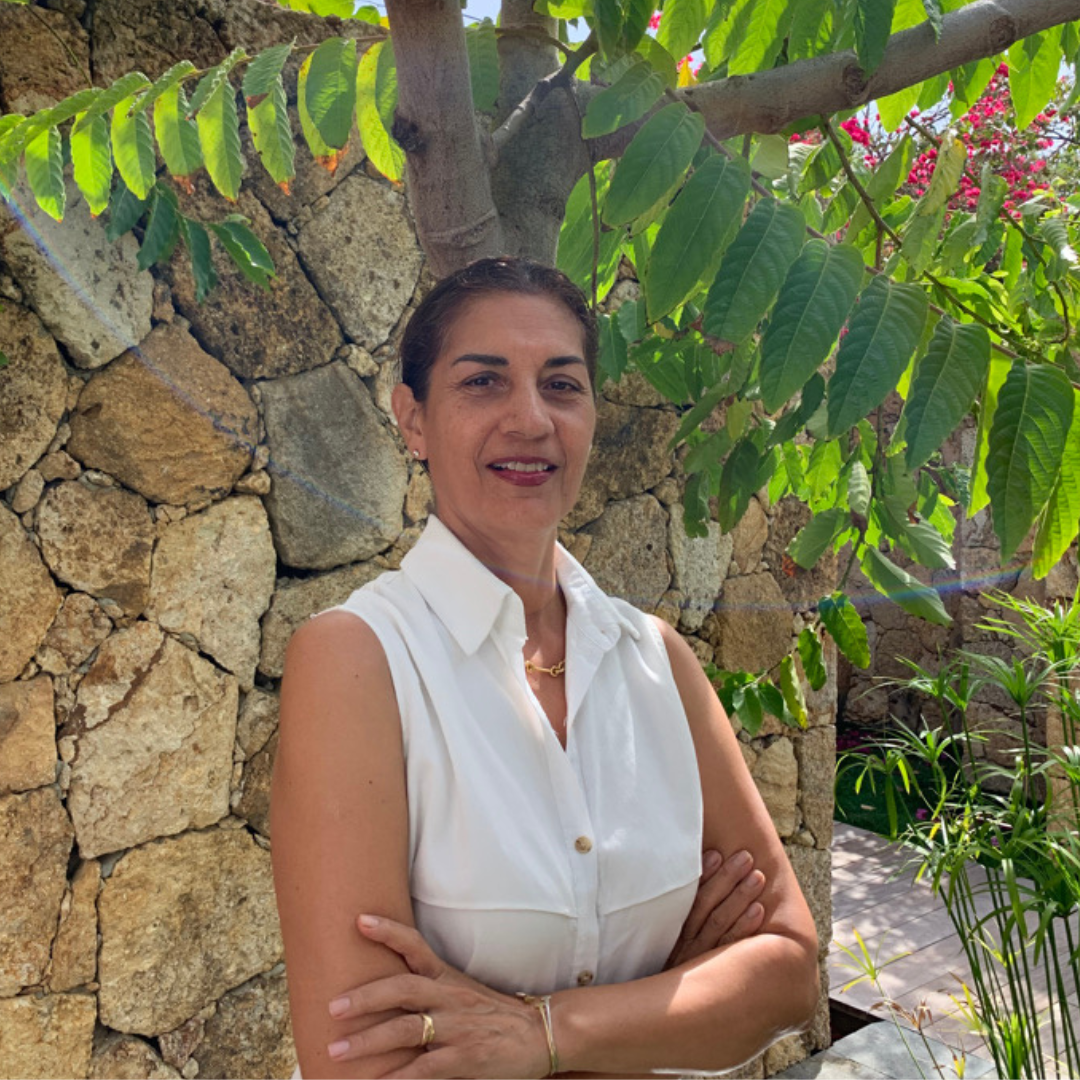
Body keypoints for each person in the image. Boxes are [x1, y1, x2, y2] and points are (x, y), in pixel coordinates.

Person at [270, 257, 819, 1079]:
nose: (530, 419)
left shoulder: (657, 661)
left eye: (562, 386)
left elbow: (789, 972)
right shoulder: (359, 660)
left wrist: (540, 1034)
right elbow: (365, 1064)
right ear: (412, 420)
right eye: (484, 382)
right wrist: (671, 1000)